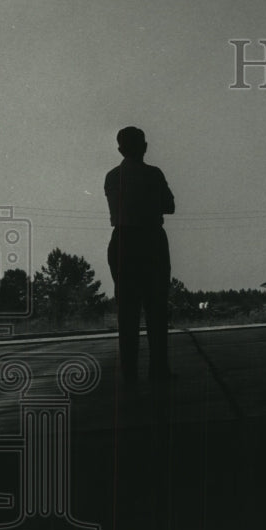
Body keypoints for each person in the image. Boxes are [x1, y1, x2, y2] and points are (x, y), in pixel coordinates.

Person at [105, 126, 176, 384]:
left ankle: (130, 375)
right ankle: (158, 371)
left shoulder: (112, 177)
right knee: (156, 310)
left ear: (120, 149)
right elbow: (170, 205)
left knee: (128, 312)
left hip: (123, 242)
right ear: (144, 147)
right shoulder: (153, 175)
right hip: (151, 241)